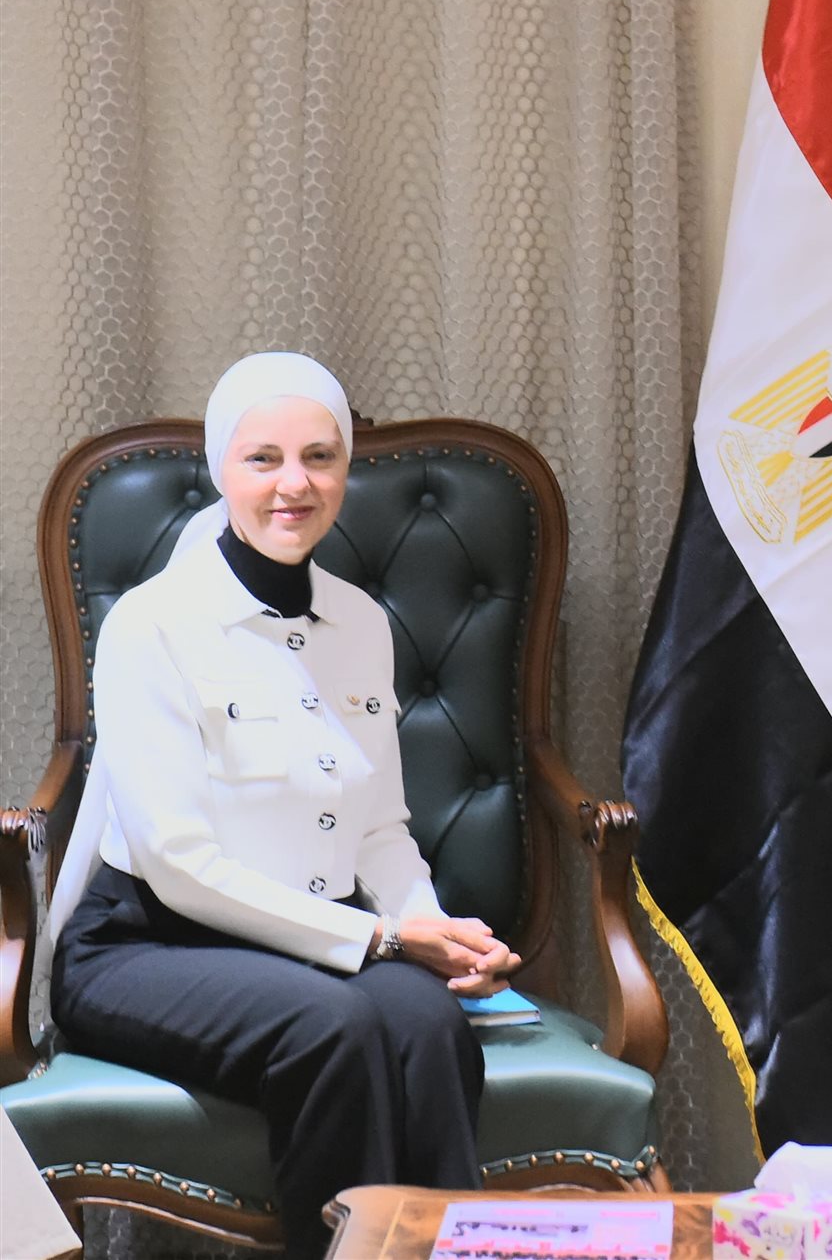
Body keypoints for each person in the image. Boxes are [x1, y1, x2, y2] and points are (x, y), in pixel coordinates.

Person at [48, 352, 520, 1256]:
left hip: (316, 942)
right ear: (223, 468)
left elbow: (379, 827)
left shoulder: (363, 621)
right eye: (263, 458)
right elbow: (179, 866)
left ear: (346, 471)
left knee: (429, 1024)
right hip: (145, 944)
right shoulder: (152, 623)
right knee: (338, 1030)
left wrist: (439, 934)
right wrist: (385, 940)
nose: (293, 484)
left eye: (319, 457)